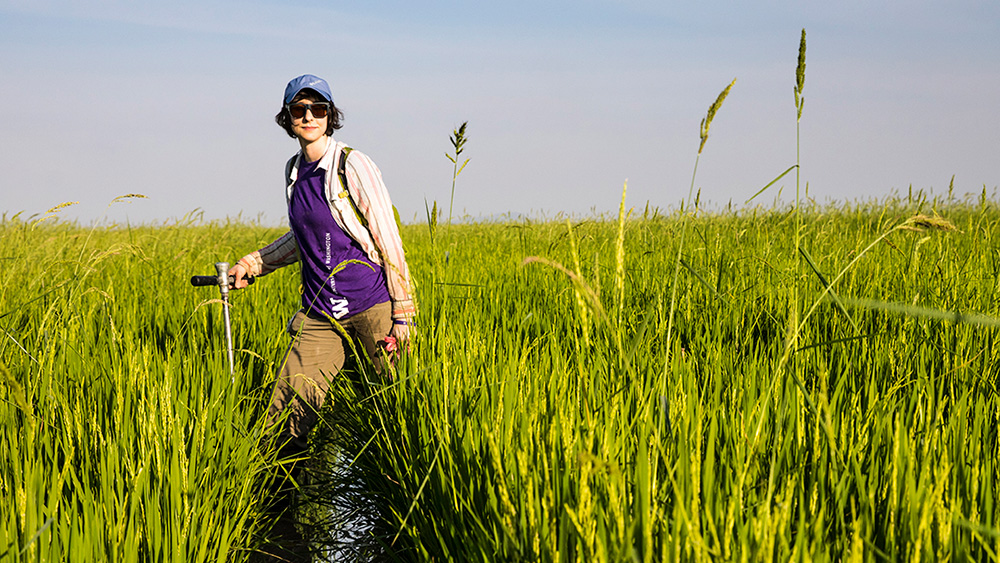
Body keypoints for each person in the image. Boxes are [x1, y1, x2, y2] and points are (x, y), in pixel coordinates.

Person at [230, 74, 415, 560]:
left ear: (330, 115)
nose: (308, 116)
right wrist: (257, 262)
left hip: (372, 305)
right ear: (287, 120)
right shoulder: (294, 171)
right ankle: (277, 523)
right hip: (319, 314)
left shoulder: (353, 165)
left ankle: (406, 509)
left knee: (394, 409)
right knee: (287, 414)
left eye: (317, 108)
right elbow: (304, 237)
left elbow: (386, 235)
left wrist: (403, 313)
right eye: (298, 110)